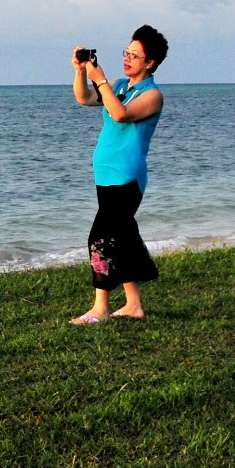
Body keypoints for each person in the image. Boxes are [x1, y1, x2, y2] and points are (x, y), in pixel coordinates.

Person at [70, 25, 168, 324]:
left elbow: (121, 114)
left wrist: (101, 80)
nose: (127, 59)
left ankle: (100, 308)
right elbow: (84, 98)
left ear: (149, 62)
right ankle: (134, 304)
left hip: (127, 176)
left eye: (134, 55)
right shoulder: (119, 85)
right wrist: (82, 71)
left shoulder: (153, 95)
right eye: (126, 52)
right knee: (122, 237)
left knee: (99, 238)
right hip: (106, 174)